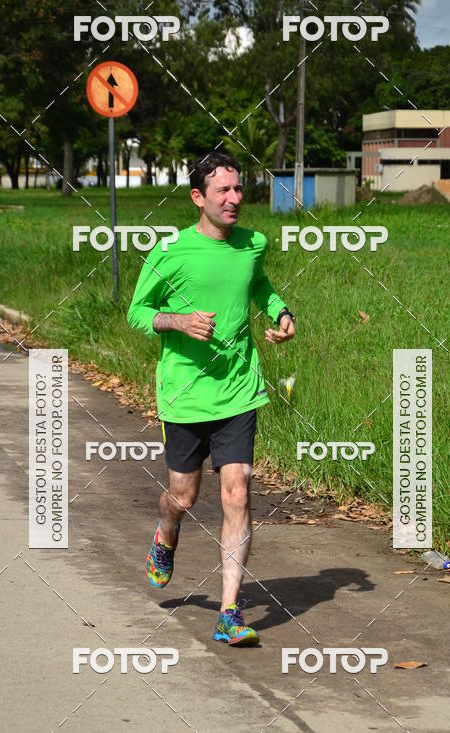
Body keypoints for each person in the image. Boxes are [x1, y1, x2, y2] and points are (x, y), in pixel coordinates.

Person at [127, 151, 295, 646]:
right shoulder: (172, 251)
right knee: (184, 495)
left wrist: (281, 313)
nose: (234, 198)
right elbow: (138, 312)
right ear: (199, 197)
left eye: (238, 189)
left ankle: (228, 612)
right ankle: (166, 535)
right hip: (184, 392)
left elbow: (258, 285)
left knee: (238, 491)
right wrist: (177, 321)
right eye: (222, 190)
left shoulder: (253, 244)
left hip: (239, 388)